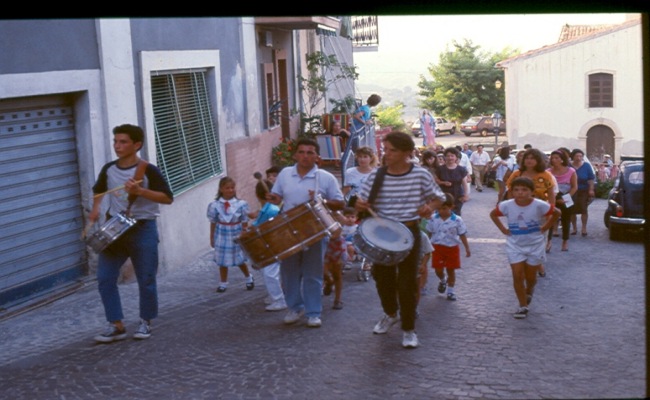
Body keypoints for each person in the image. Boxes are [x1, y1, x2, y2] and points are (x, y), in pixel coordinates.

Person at [355, 131, 446, 349]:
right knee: (382, 278)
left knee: (407, 283)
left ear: (406, 153)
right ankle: (390, 313)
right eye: (385, 149)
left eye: (392, 150)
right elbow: (360, 199)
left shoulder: (420, 175)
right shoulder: (376, 176)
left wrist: (429, 206)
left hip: (409, 231)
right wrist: (360, 204)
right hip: (383, 235)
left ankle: (408, 329)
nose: (387, 154)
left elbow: (439, 197)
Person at [90, 124, 174, 343]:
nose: (117, 146)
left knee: (146, 278)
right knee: (105, 278)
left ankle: (146, 321)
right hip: (115, 229)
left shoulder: (148, 170)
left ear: (137, 145)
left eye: (123, 142)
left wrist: (141, 191)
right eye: (115, 141)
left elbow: (167, 198)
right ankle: (116, 325)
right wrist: (96, 209)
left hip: (142, 227)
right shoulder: (108, 169)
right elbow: (98, 189)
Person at [268, 138, 345, 328]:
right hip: (288, 230)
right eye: (301, 152)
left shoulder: (325, 178)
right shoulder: (285, 174)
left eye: (310, 152)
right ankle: (294, 308)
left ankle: (313, 312)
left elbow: (340, 202)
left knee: (313, 272)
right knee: (289, 272)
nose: (305, 156)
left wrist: (322, 201)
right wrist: (273, 197)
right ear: (295, 155)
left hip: (315, 230)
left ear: (317, 157)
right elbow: (277, 197)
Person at [489, 177, 560, 319]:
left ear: (532, 192)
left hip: (535, 245)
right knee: (517, 274)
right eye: (516, 190)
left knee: (531, 277)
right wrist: (503, 229)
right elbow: (493, 214)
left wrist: (545, 227)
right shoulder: (507, 205)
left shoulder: (539, 205)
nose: (520, 193)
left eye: (524, 190)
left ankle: (530, 289)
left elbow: (557, 212)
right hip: (515, 244)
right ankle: (522, 306)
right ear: (512, 192)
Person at [505, 148, 556, 277]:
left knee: (539, 239)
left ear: (538, 160)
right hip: (520, 212)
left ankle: (538, 263)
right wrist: (511, 208)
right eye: (527, 158)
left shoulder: (545, 175)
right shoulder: (517, 174)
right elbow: (510, 191)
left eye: (532, 158)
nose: (529, 161)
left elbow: (551, 194)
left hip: (540, 212)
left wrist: (550, 210)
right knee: (522, 238)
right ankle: (525, 262)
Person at [207, 177, 255, 293]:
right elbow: (213, 222)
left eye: (232, 188)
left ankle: (248, 277)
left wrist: (244, 232)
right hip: (222, 234)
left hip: (235, 232)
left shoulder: (241, 204)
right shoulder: (215, 205)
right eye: (227, 188)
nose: (230, 190)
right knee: (222, 260)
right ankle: (223, 282)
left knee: (239, 258)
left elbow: (244, 220)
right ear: (221, 189)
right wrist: (212, 237)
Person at [425, 193, 471, 301]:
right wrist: (426, 246)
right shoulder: (433, 219)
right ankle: (442, 279)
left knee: (451, 270)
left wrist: (467, 248)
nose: (441, 211)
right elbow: (429, 233)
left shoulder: (457, 220)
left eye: (444, 208)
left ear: (451, 207)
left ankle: (450, 291)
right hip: (437, 247)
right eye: (439, 208)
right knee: (438, 269)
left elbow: (462, 234)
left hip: (452, 248)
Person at [250, 179, 287, 312]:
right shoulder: (268, 209)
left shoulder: (270, 210)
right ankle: (274, 296)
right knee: (269, 272)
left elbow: (262, 227)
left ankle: (279, 300)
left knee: (270, 273)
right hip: (271, 244)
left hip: (272, 245)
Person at [323, 207, 358, 310]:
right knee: (323, 271)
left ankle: (338, 299)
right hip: (324, 245)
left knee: (337, 274)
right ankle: (329, 281)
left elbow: (338, 229)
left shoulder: (338, 214)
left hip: (336, 246)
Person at [546, 150, 577, 252]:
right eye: (552, 158)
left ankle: (565, 241)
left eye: (556, 158)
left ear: (562, 159)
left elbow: (574, 187)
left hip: (567, 196)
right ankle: (548, 241)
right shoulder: (548, 172)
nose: (554, 160)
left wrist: (566, 198)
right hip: (553, 196)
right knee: (550, 219)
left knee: (566, 219)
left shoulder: (571, 171)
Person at [434, 147, 469, 215]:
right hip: (443, 195)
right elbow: (435, 181)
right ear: (445, 157)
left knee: (456, 214)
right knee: (443, 214)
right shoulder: (440, 169)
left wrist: (466, 195)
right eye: (448, 156)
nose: (450, 158)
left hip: (458, 195)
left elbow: (464, 183)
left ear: (456, 157)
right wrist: (443, 183)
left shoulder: (461, 169)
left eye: (452, 156)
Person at [569, 148, 596, 236]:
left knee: (584, 209)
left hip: (583, 190)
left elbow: (591, 179)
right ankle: (574, 228)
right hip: (571, 190)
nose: (579, 158)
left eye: (580, 156)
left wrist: (591, 189)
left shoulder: (586, 165)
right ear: (573, 156)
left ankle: (584, 228)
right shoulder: (569, 166)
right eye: (577, 156)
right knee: (572, 210)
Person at [415, 229, 434, 312]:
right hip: (400, 265)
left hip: (416, 265)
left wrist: (423, 264)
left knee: (416, 288)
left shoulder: (422, 236)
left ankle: (414, 308)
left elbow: (428, 252)